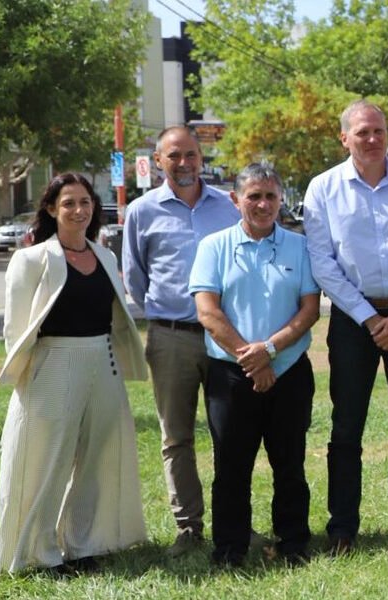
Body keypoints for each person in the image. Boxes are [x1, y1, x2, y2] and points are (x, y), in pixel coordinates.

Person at [0, 173, 147, 575]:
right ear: (51, 209)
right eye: (68, 203)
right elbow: (15, 328)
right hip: (53, 365)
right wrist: (27, 377)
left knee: (99, 457)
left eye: (85, 202)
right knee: (48, 461)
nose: (79, 210)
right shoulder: (30, 259)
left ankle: (84, 544)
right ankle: (39, 552)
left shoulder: (105, 256)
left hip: (103, 364)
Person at [303, 99, 388, 554]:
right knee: (346, 428)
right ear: (344, 138)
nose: (373, 139)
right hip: (352, 321)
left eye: (379, 130)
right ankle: (342, 529)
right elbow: (322, 262)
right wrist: (369, 317)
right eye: (363, 132)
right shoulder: (322, 189)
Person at [189, 163, 321, 566]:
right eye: (254, 196)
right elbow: (208, 312)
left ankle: (293, 543)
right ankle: (230, 548)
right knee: (231, 466)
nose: (263, 204)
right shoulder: (213, 247)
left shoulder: (299, 247)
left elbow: (309, 309)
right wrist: (251, 357)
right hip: (230, 375)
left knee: (290, 464)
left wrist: (270, 350)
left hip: (289, 372)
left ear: (281, 200)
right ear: (235, 199)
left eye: (270, 196)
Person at [123, 126, 240, 555]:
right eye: (173, 156)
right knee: (176, 437)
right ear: (158, 161)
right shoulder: (141, 211)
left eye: (191, 154)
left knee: (232, 433)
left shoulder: (228, 207)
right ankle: (188, 527)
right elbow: (135, 277)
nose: (184, 163)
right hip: (171, 338)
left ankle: (234, 524)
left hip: (225, 337)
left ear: (201, 157)